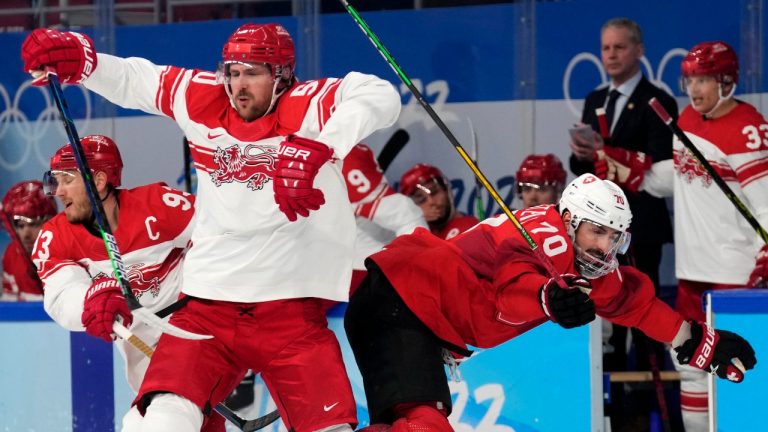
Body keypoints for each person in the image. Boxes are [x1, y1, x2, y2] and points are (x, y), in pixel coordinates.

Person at [22, 22, 400, 432]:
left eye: (252, 73)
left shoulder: (309, 104)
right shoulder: (202, 96)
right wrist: (85, 63)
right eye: (233, 72)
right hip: (207, 310)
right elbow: (137, 78)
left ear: (282, 75)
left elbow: (380, 94)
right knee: (156, 423)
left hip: (291, 312)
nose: (238, 85)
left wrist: (323, 146)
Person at [344, 173, 756, 431]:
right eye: (597, 232)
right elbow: (510, 294)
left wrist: (693, 339)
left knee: (414, 423)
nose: (605, 245)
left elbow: (634, 304)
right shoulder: (548, 237)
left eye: (615, 236)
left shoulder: (587, 262)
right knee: (423, 427)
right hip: (402, 299)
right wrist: (547, 298)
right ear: (572, 220)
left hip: (408, 309)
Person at [30, 135, 224, 431]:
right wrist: (90, 302)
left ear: (98, 180)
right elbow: (61, 293)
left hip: (194, 328)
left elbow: (224, 238)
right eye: (54, 180)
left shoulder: (160, 205)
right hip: (142, 349)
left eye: (67, 179)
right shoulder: (56, 236)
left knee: (152, 421)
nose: (58, 191)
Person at [636, 41, 768, 431]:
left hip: (736, 276)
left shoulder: (748, 128)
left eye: (704, 79)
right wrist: (634, 170)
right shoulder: (688, 120)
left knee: (738, 368)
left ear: (727, 81)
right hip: (691, 273)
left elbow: (766, 201)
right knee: (692, 363)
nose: (694, 89)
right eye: (690, 79)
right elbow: (684, 177)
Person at [568, 18, 678, 426]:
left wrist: (608, 153)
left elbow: (660, 164)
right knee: (601, 308)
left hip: (640, 226)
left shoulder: (657, 100)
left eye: (619, 47)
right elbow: (583, 169)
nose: (611, 55)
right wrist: (581, 154)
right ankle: (605, 408)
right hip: (593, 232)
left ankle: (654, 412)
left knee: (641, 311)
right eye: (606, 48)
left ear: (639, 50)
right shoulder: (595, 97)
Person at [343, 143, 427, 292]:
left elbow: (404, 214)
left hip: (355, 277)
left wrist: (412, 276)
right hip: (308, 271)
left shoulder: (342, 155)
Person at [1, 180, 57, 301]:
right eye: (20, 225)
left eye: (33, 224)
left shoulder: (66, 252)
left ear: (50, 221)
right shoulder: (11, 254)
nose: (25, 234)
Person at [399, 163, 478, 240]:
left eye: (434, 192)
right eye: (420, 199)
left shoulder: (471, 227)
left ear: (446, 190)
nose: (431, 201)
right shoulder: (415, 239)